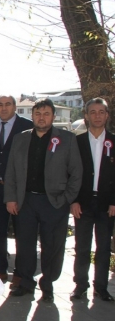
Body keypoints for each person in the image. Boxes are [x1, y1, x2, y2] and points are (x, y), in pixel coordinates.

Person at [5, 98, 82, 302]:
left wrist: (66, 198)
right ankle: (26, 283)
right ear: (32, 116)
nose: (42, 117)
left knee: (52, 246)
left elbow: (76, 173)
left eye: (46, 114)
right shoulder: (20, 138)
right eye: (38, 114)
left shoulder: (67, 138)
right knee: (25, 245)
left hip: (54, 202)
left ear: (53, 116)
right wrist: (11, 198)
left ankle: (47, 285)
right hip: (26, 201)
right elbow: (11, 171)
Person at [71, 98, 115, 301]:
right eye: (93, 112)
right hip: (83, 203)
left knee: (104, 247)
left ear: (107, 115)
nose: (97, 116)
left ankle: (101, 287)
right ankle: (80, 285)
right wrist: (73, 200)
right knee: (82, 246)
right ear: (86, 116)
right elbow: (70, 174)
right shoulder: (76, 142)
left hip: (107, 205)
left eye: (101, 112)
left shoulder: (113, 142)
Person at [0, 95, 33, 282]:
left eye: (7, 104)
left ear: (15, 106)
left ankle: (21, 273)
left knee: (22, 232)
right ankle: (0, 268)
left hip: (20, 190)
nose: (3, 108)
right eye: (0, 105)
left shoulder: (27, 126)